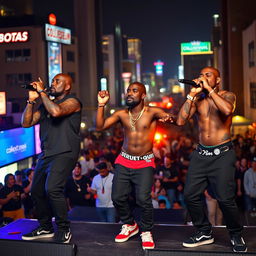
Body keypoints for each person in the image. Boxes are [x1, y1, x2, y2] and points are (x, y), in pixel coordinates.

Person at [176, 67, 246, 252]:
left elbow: (227, 110)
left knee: (225, 198)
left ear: (218, 80)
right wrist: (191, 95)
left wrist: (210, 90)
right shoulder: (198, 100)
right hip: (201, 154)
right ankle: (204, 232)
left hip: (222, 154)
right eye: (201, 75)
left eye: (208, 75)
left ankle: (235, 233)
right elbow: (181, 121)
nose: (203, 78)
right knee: (190, 195)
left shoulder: (227, 95)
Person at [96, 81, 174, 250]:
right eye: (128, 90)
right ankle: (130, 224)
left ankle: (146, 231)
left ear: (143, 95)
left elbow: (167, 116)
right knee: (117, 197)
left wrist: (168, 118)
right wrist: (101, 105)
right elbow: (100, 126)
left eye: (134, 91)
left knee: (143, 199)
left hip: (145, 161)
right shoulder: (122, 114)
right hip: (124, 160)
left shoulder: (152, 112)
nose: (130, 93)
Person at [21, 73, 82, 243]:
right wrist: (32, 100)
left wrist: (42, 93)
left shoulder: (73, 102)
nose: (53, 83)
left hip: (65, 152)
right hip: (47, 154)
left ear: (67, 86)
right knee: (36, 191)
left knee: (53, 188)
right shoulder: (45, 105)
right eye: (53, 81)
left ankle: (63, 228)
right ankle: (46, 227)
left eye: (57, 81)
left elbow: (56, 112)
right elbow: (26, 123)